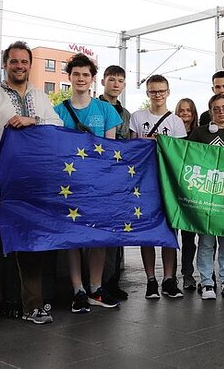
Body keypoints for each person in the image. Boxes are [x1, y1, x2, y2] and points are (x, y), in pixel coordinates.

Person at [0, 41, 62, 330]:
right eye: (14, 61)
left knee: (31, 246)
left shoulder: (40, 97)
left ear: (30, 65)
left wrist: (32, 119)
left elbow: (57, 126)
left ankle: (33, 306)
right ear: (5, 64)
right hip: (1, 184)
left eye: (24, 62)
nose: (19, 66)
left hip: (33, 185)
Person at [54, 53, 122, 312]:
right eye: (76, 74)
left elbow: (112, 149)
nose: (81, 79)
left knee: (99, 234)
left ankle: (96, 287)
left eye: (85, 75)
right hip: (69, 183)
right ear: (69, 77)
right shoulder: (58, 111)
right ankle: (77, 290)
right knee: (73, 236)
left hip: (98, 183)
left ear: (93, 79)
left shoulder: (106, 110)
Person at [130, 75, 187, 300]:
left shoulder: (175, 122)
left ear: (168, 92)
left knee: (168, 230)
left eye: (161, 91)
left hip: (168, 181)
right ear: (147, 93)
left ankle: (169, 279)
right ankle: (151, 280)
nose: (157, 95)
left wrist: (160, 144)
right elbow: (133, 148)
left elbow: (180, 153)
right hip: (144, 181)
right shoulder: (137, 117)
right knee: (147, 231)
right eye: (153, 91)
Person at [189, 94, 224, 299]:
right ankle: (206, 282)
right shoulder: (199, 133)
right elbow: (187, 158)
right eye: (216, 108)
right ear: (210, 111)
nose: (221, 111)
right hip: (205, 197)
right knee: (205, 242)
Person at [99, 65, 131, 301]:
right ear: (103, 82)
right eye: (112, 79)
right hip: (97, 175)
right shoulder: (94, 107)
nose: (116, 84)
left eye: (120, 80)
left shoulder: (126, 114)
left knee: (117, 231)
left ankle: (112, 281)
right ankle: (98, 283)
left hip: (119, 177)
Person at [174, 97, 199, 291]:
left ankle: (191, 274)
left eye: (188, 110)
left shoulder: (200, 133)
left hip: (195, 191)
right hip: (175, 189)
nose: (185, 114)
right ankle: (177, 274)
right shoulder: (172, 133)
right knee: (175, 235)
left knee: (192, 236)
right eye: (181, 110)